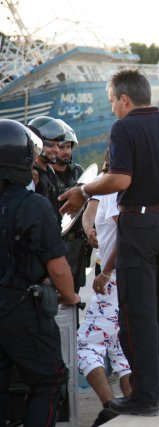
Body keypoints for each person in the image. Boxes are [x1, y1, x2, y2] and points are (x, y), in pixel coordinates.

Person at [59, 69, 159, 416]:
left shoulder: (125, 127)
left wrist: (83, 189)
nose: (112, 108)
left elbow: (120, 178)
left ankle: (145, 397)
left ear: (125, 99)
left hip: (141, 224)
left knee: (139, 313)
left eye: (112, 100)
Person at [0, 119, 80, 426]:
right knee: (48, 380)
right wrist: (71, 296)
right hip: (22, 309)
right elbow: (58, 267)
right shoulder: (33, 205)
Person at [78, 186, 132, 427]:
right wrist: (90, 230)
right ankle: (132, 409)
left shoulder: (114, 191)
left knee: (87, 346)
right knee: (122, 349)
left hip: (115, 280)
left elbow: (127, 235)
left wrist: (107, 272)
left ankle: (110, 408)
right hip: (135, 279)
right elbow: (89, 211)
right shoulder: (139, 185)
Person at [52, 119, 90, 294]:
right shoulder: (45, 175)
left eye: (68, 147)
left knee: (73, 291)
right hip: (54, 242)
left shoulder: (78, 172)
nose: (65, 151)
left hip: (76, 243)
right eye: (61, 147)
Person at [28, 116, 64, 220]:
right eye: (52, 145)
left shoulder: (50, 171)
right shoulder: (30, 175)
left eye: (58, 145)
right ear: (37, 144)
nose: (57, 150)